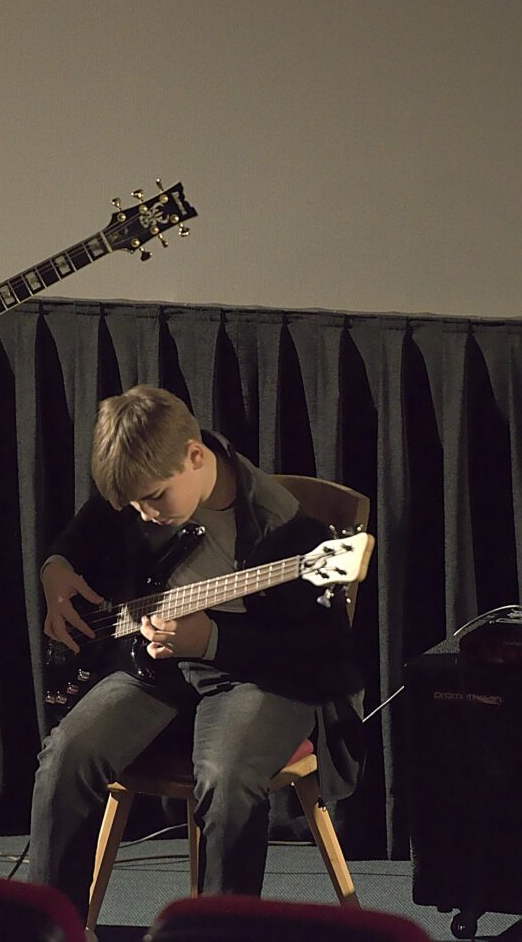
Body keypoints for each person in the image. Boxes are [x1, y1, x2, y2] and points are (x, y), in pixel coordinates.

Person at [29, 385, 364, 931]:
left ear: (196, 456)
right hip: (156, 662)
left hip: (258, 674)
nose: (144, 513)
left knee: (228, 777)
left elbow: (317, 657)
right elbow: (83, 534)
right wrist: (56, 569)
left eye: (154, 499)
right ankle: (53, 928)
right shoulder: (145, 487)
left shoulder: (285, 528)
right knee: (66, 757)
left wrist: (210, 641)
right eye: (132, 504)